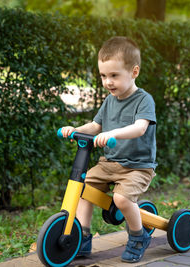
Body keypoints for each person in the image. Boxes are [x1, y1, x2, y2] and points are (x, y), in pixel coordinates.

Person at [60, 36, 157, 263]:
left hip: (137, 167)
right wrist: (74, 129)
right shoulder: (109, 100)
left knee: (122, 200)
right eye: (104, 76)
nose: (107, 82)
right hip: (109, 164)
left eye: (114, 75)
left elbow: (140, 128)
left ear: (134, 72)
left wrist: (112, 133)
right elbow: (95, 126)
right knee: (83, 186)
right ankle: (83, 236)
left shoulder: (144, 100)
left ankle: (138, 236)